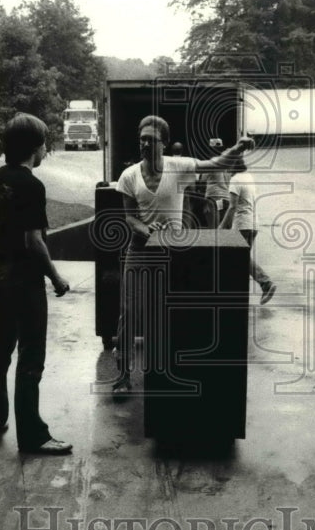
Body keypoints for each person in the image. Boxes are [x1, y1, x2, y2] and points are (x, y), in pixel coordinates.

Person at [112, 115, 253, 392]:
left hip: (173, 253)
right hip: (140, 251)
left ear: (163, 143)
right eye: (141, 139)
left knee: (171, 313)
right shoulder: (129, 176)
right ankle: (123, 376)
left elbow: (214, 164)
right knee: (129, 311)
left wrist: (237, 149)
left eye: (150, 140)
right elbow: (130, 218)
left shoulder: (178, 166)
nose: (144, 144)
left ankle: (169, 374)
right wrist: (146, 229)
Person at [0, 113, 73, 454]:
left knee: (1, 347)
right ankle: (33, 436)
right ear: (35, 148)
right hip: (25, 279)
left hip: (0, 274)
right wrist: (56, 277)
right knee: (31, 356)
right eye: (45, 143)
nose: (46, 150)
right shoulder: (31, 185)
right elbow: (34, 241)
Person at [219, 157, 277, 305]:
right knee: (239, 260)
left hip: (242, 224)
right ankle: (238, 294)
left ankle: (266, 282)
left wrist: (222, 226)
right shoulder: (248, 176)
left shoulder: (236, 180)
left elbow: (232, 206)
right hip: (252, 223)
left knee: (239, 258)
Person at [199, 138, 232, 228]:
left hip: (213, 199)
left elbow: (202, 181)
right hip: (226, 199)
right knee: (224, 230)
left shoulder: (210, 163)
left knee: (213, 230)